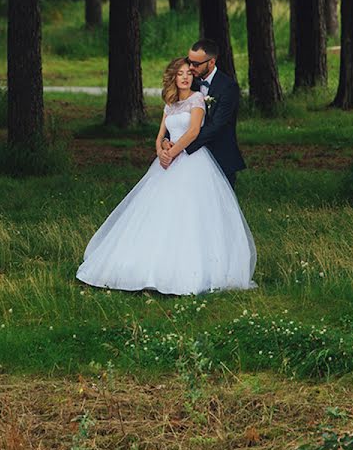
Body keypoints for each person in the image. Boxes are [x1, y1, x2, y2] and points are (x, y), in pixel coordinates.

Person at [76, 56, 256, 295]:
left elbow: (192, 132)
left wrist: (173, 152)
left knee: (188, 214)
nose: (184, 77)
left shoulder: (197, 99)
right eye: (180, 73)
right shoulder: (169, 105)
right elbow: (160, 134)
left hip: (192, 162)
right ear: (173, 77)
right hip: (167, 162)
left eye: (188, 74)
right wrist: (161, 151)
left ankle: (191, 270)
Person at [160, 39, 246, 189]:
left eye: (196, 64)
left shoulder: (228, 87)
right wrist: (166, 141)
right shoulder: (188, 81)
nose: (191, 67)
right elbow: (175, 112)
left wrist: (180, 148)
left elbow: (216, 125)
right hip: (182, 155)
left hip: (219, 154)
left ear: (211, 62)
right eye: (189, 61)